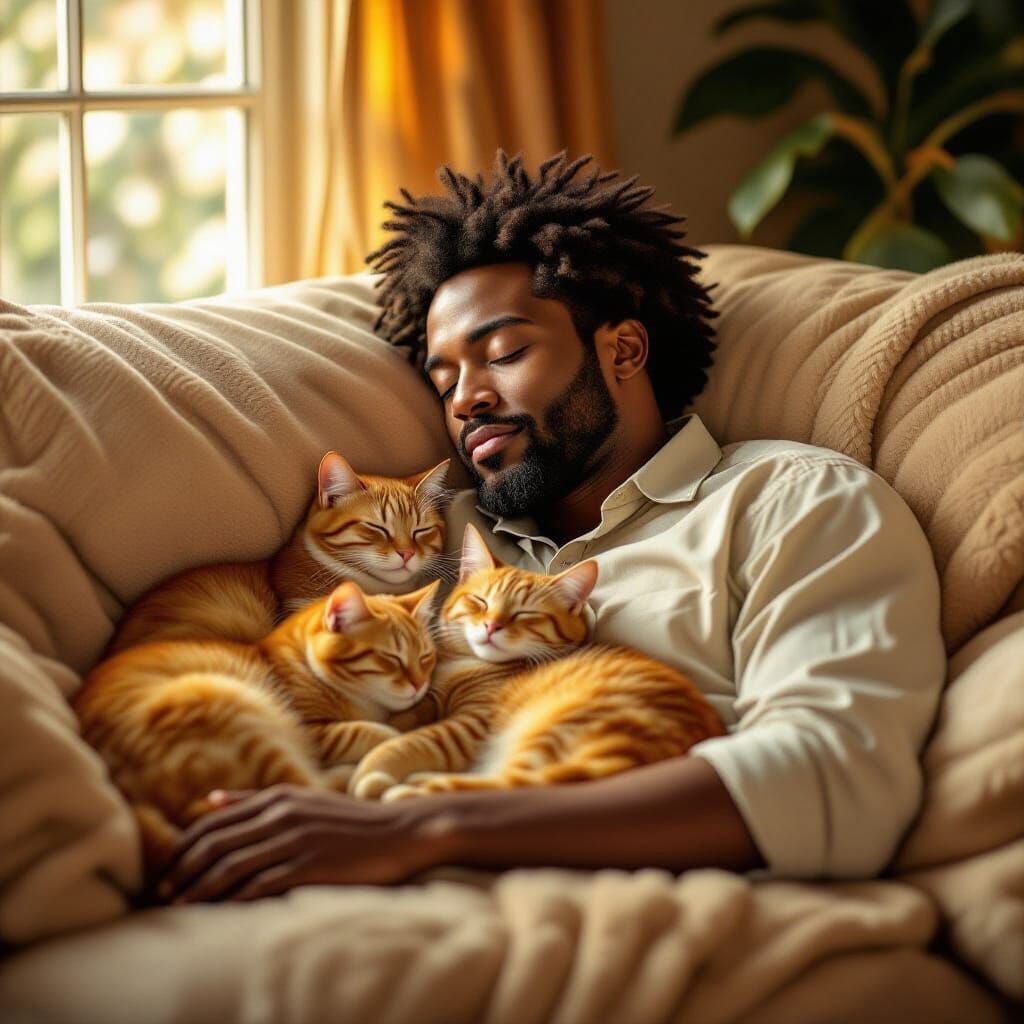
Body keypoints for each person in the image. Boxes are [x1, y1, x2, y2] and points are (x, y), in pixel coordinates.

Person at [157, 151, 945, 904]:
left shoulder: (791, 503)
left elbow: (833, 780)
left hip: (631, 895)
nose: (465, 400)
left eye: (502, 354)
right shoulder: (430, 538)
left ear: (623, 350)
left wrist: (425, 829)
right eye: (444, 380)